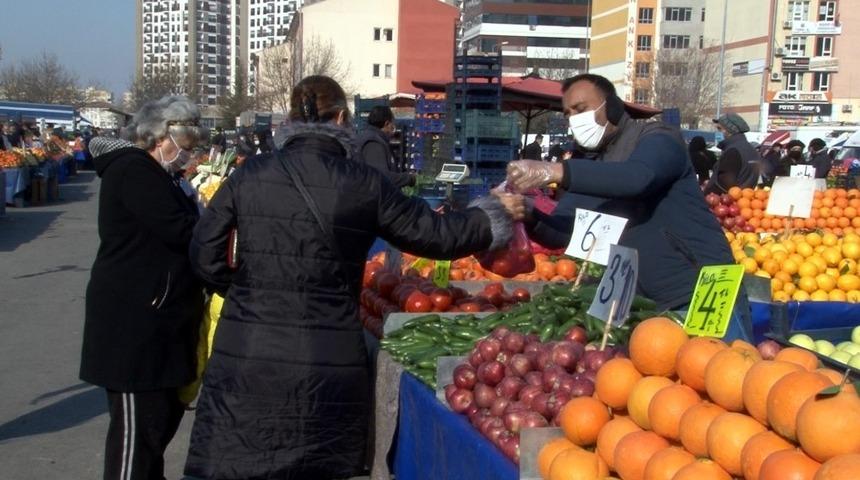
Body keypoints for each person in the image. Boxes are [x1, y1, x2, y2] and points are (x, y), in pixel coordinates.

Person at [183, 75, 515, 479]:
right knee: (315, 466)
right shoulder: (363, 182)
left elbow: (204, 255)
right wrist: (492, 214)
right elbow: (436, 235)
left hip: (248, 353)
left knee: (240, 463)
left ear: (290, 119)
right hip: (327, 358)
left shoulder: (249, 174)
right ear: (342, 118)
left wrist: (248, 294)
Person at [501, 73, 739, 316]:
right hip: (642, 304)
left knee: (716, 343)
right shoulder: (591, 162)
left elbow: (638, 178)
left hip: (702, 286)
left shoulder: (659, 137)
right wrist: (529, 214)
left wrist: (555, 170)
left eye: (581, 110)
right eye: (568, 114)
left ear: (613, 108)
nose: (574, 120)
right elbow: (564, 231)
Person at [79, 96, 204, 480]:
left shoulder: (159, 174)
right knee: (135, 439)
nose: (187, 155)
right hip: (135, 325)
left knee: (154, 430)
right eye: (184, 145)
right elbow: (178, 228)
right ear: (160, 136)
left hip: (158, 319)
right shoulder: (134, 170)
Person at [354, 105, 416, 188]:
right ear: (387, 124)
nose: (394, 127)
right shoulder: (373, 144)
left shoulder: (370, 137)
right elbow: (381, 177)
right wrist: (409, 178)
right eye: (392, 123)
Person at [704, 113, 759, 194]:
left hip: (729, 199)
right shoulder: (751, 149)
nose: (718, 132)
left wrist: (708, 192)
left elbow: (723, 184)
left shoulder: (733, 151)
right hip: (746, 197)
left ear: (729, 130)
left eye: (719, 128)